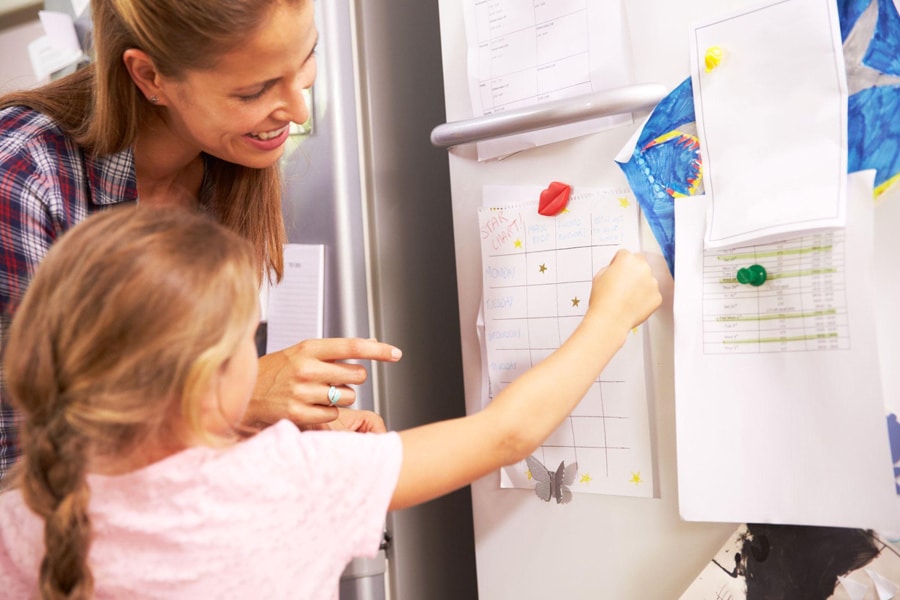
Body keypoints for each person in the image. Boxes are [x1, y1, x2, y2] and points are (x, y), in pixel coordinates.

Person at [0, 205, 661, 598]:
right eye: (245, 341)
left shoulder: (22, 508)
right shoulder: (289, 480)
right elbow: (506, 435)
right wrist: (610, 318)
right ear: (206, 382)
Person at [0, 0, 396, 482]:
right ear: (150, 77)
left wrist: (283, 435)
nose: (297, 108)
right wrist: (234, 401)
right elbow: (26, 468)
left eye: (306, 59)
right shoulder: (22, 177)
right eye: (255, 90)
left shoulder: (222, 165)